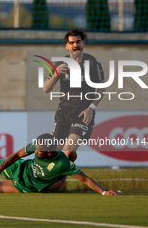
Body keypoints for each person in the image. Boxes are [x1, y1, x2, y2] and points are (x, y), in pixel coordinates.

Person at [0, 133, 121, 195]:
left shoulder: (61, 162)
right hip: (21, 168)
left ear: (50, 151)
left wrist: (104, 192)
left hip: (27, 185)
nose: (36, 152)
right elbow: (16, 155)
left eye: (39, 152)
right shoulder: (38, 144)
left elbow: (86, 179)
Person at [43, 27, 106, 162]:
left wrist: (91, 108)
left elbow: (102, 88)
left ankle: (65, 176)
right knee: (53, 154)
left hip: (83, 113)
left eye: (78, 42)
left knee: (69, 149)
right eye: (71, 43)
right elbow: (45, 89)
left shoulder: (93, 62)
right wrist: (55, 75)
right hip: (64, 111)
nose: (75, 45)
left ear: (83, 44)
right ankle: (59, 181)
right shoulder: (60, 63)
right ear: (67, 46)